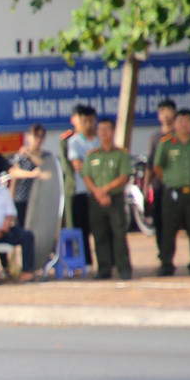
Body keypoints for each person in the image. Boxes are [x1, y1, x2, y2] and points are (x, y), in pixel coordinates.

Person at [153, 108, 190, 276]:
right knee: (169, 230)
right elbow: (158, 167)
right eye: (180, 121)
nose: (184, 124)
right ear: (175, 124)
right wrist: (171, 181)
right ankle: (166, 265)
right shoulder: (166, 143)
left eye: (187, 121)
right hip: (173, 193)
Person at [82, 117, 134, 280]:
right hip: (96, 200)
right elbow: (86, 176)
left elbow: (123, 176)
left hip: (115, 198)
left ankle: (123, 268)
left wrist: (105, 190)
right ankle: (104, 268)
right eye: (101, 129)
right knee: (99, 234)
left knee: (119, 234)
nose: (104, 133)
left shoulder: (121, 154)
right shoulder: (92, 155)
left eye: (107, 129)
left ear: (113, 131)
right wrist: (98, 192)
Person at [65, 105, 100, 267]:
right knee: (81, 229)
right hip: (81, 191)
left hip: (100, 192)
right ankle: (86, 263)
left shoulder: (100, 140)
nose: (88, 124)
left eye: (91, 121)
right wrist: (97, 167)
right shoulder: (73, 141)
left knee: (100, 229)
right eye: (84, 121)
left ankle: (105, 263)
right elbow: (77, 165)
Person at [146, 99, 178, 263]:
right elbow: (150, 165)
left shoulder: (180, 136)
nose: (165, 114)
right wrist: (146, 187)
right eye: (162, 111)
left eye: (168, 110)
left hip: (178, 185)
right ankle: (164, 256)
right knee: (159, 222)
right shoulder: (155, 138)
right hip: (160, 187)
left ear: (174, 113)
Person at [6, 124, 53, 220]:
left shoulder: (47, 156)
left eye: (41, 136)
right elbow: (14, 173)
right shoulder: (21, 155)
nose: (38, 139)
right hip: (22, 198)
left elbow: (46, 167)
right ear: (29, 137)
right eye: (36, 136)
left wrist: (30, 154)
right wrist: (32, 174)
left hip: (41, 198)